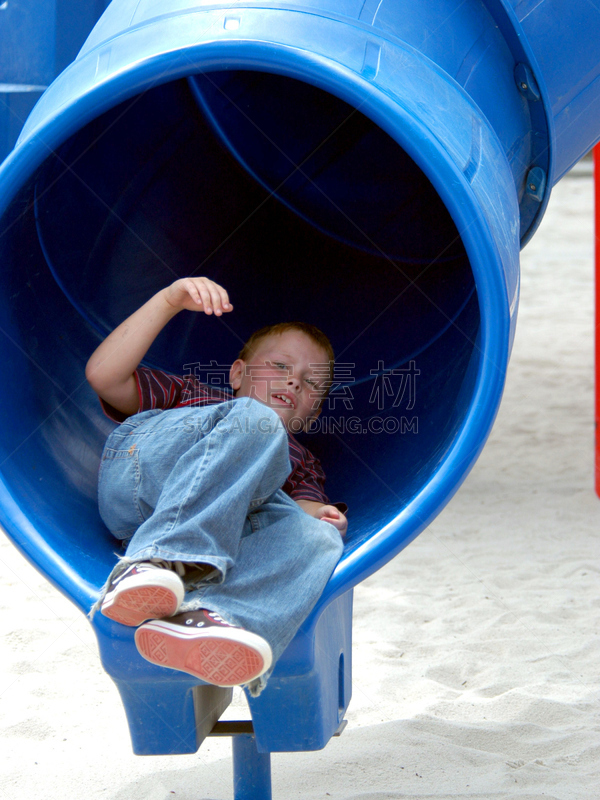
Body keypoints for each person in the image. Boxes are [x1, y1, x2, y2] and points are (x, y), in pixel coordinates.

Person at [86, 276, 346, 696]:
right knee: (254, 421)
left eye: (312, 383)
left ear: (313, 414)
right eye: (280, 366)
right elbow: (104, 376)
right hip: (140, 481)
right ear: (238, 373)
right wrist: (169, 299)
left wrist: (323, 516)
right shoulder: (193, 395)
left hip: (211, 543)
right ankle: (155, 561)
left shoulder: (302, 461)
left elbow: (298, 515)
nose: (295, 381)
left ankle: (213, 617)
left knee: (321, 540)